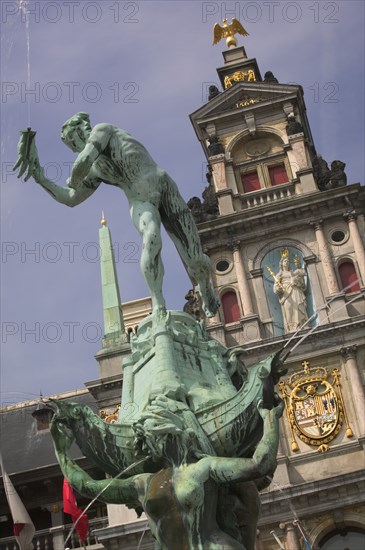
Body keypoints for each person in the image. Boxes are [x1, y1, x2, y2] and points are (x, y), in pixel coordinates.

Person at [13, 113, 219, 318]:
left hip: (164, 187)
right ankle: (158, 303)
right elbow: (71, 199)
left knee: (195, 261)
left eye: (73, 143)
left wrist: (73, 178)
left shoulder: (103, 130)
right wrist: (40, 178)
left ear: (80, 131)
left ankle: (205, 287)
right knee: (152, 239)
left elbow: (83, 160)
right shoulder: (96, 170)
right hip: (140, 201)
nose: (74, 149)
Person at [51, 394, 284, 550]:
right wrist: (61, 451)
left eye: (148, 439)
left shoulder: (204, 467)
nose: (144, 447)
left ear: (166, 434)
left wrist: (270, 418)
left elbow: (259, 464)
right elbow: (88, 487)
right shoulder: (144, 484)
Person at [273, 251, 308, 333]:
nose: (287, 262)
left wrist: (296, 281)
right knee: (288, 309)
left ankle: (302, 324)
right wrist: (278, 289)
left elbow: (302, 284)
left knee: (299, 307)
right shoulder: (279, 274)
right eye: (285, 261)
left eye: (288, 261)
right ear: (281, 263)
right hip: (286, 294)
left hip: (296, 291)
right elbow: (276, 286)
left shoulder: (293, 272)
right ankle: (291, 328)